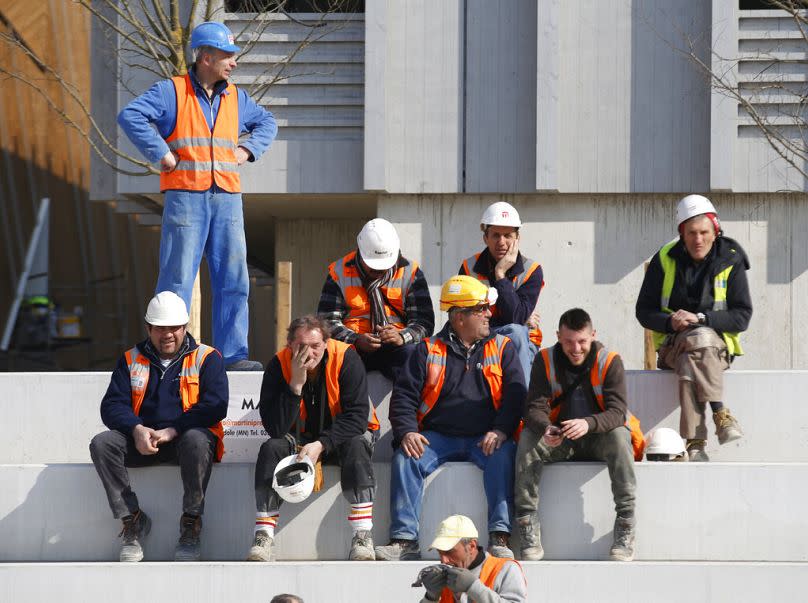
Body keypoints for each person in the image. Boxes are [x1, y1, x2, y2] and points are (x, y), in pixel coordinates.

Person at [118, 21, 277, 371]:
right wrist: (161, 153)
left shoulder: (237, 97)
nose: (233, 63)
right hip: (186, 198)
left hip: (227, 199)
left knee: (234, 281)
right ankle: (169, 357)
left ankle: (232, 358)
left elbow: (268, 123)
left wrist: (247, 151)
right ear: (206, 57)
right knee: (176, 281)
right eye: (228, 56)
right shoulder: (171, 91)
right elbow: (130, 116)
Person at [375, 276, 527, 561]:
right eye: (480, 309)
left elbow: (515, 398)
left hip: (486, 437)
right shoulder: (427, 349)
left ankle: (500, 536)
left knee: (504, 455)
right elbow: (403, 397)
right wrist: (407, 432)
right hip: (437, 438)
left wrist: (502, 430)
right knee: (405, 458)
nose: (488, 314)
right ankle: (404, 541)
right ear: (459, 317)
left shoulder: (504, 347)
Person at [89, 291, 228, 562]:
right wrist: (136, 429)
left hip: (186, 442)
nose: (168, 334)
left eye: (174, 328)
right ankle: (132, 520)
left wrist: (174, 429)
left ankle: (191, 523)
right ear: (149, 328)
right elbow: (112, 406)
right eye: (160, 328)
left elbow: (215, 406)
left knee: (197, 439)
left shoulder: (207, 358)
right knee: (102, 443)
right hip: (144, 441)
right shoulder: (130, 359)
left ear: (185, 327)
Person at [247, 315, 379, 561]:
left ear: (327, 343)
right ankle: (263, 535)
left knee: (357, 442)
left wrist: (322, 444)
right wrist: (295, 385)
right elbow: (275, 428)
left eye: (315, 345)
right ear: (289, 344)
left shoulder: (347, 357)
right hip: (299, 438)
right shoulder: (278, 364)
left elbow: (357, 418)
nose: (309, 352)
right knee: (270, 448)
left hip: (343, 434)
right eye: (301, 346)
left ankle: (362, 536)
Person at [514, 308, 638, 562]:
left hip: (598, 437)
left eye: (582, 341)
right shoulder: (544, 360)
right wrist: (546, 428)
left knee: (620, 436)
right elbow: (534, 407)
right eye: (569, 341)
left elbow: (617, 412)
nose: (576, 349)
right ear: (558, 336)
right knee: (528, 436)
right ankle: (527, 523)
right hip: (560, 438)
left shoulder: (610, 360)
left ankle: (626, 521)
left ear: (593, 335)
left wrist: (588, 424)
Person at [636, 194, 752, 461]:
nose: (697, 239)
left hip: (717, 350)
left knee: (697, 344)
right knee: (697, 342)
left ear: (715, 232)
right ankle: (720, 413)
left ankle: (696, 442)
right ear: (682, 234)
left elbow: (742, 317)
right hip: (670, 348)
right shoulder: (664, 258)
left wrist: (701, 319)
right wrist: (669, 322)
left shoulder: (732, 260)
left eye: (703, 232)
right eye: (691, 233)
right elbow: (643, 311)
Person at [318, 218, 434, 381]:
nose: (379, 270)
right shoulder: (338, 272)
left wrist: (401, 337)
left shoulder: (411, 273)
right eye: (373, 266)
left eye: (383, 265)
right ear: (360, 251)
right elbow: (326, 322)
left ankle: (404, 407)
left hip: (397, 349)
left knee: (415, 360)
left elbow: (424, 322)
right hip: (352, 349)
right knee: (333, 360)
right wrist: (356, 340)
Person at [459, 201, 544, 383]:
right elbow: (463, 317)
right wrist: (522, 317)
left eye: (508, 236)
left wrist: (500, 274)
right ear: (485, 238)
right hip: (479, 337)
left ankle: (523, 405)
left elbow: (514, 319)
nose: (502, 242)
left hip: (523, 343)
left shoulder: (532, 270)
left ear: (517, 238)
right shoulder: (468, 268)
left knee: (516, 331)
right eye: (496, 235)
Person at [414, 515, 527, 603]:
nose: (444, 560)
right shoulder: (444, 576)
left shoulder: (506, 569)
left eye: (449, 551)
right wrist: (430, 597)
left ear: (472, 546)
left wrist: (473, 587)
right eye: (440, 553)